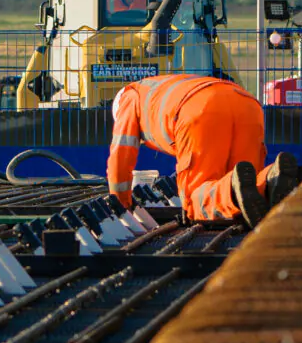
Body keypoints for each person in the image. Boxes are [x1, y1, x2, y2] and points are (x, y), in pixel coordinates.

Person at [107, 72, 292, 228]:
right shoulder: (162, 86)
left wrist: (121, 204)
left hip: (200, 110)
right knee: (251, 185)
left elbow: (121, 154)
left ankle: (231, 190)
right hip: (247, 105)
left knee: (196, 201)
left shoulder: (129, 97)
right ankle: (273, 179)